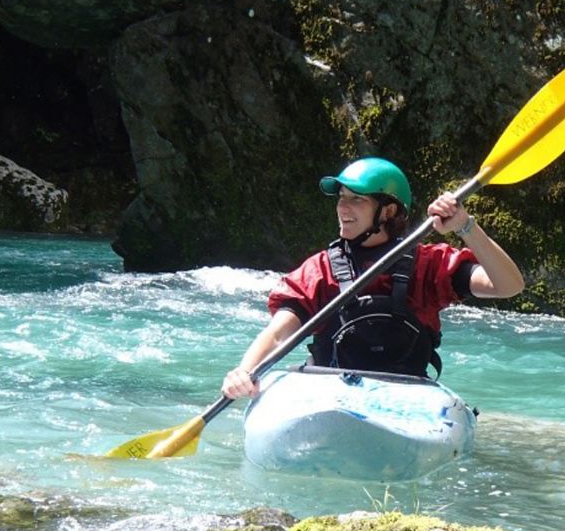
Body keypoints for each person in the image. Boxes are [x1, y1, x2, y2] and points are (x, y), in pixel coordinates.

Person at [221, 157, 524, 399]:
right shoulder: (320, 269)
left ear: (388, 210)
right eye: (341, 197)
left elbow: (508, 286)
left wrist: (466, 226)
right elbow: (277, 334)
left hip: (406, 402)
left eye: (356, 199)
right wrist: (244, 371)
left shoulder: (429, 265)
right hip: (330, 397)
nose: (342, 207)